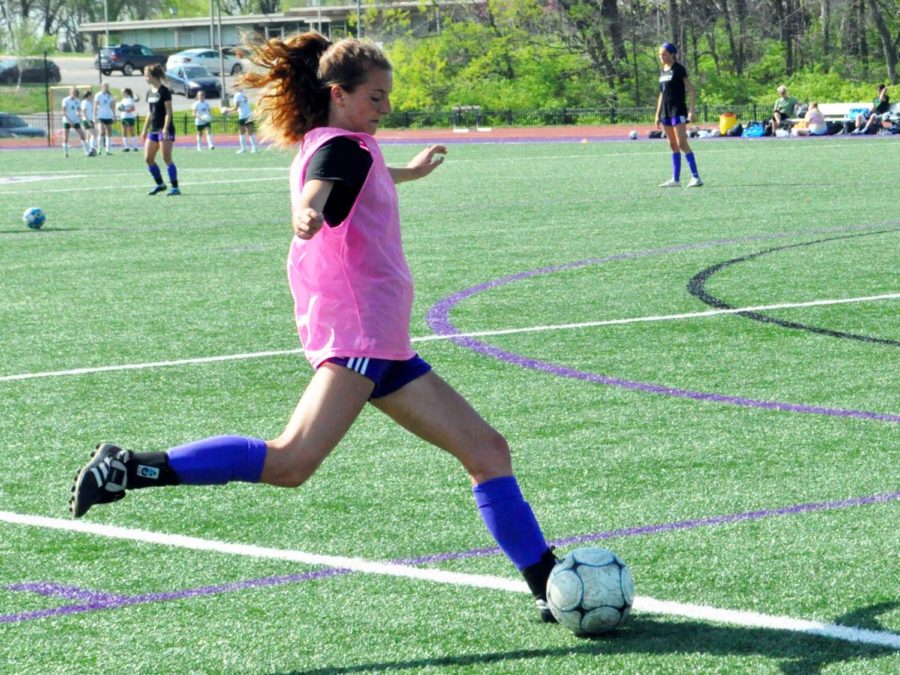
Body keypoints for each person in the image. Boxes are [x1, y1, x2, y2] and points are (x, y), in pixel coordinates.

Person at [69, 32, 560, 624]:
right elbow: (324, 185)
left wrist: (411, 171)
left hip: (382, 343)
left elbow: (360, 175)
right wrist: (306, 210)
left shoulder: (349, 144)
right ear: (339, 94)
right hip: (357, 337)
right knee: (291, 462)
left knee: (487, 450)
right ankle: (132, 467)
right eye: (375, 97)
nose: (385, 108)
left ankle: (549, 583)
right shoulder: (338, 150)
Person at [655, 43, 702, 188]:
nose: (661, 57)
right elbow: (662, 94)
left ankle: (696, 177)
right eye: (660, 54)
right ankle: (676, 179)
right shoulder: (663, 70)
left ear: (672, 54)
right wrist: (657, 114)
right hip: (666, 113)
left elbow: (692, 91)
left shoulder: (679, 69)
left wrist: (691, 110)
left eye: (664, 54)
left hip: (678, 110)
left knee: (682, 143)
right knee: (672, 144)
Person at [140, 64, 180, 196]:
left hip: (164, 130)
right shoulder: (149, 92)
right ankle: (160, 184)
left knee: (166, 158)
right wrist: (144, 129)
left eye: (147, 75)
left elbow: (169, 112)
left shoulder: (164, 91)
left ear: (154, 76)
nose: (145, 77)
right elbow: (150, 113)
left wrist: (166, 128)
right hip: (154, 130)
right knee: (148, 158)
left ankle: (175, 187)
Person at [223, 83, 258, 153]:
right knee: (250, 131)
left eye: (237, 86)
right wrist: (231, 112)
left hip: (243, 116)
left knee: (242, 132)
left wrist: (227, 109)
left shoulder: (237, 96)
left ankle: (244, 148)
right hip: (249, 114)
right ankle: (253, 148)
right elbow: (240, 107)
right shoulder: (243, 94)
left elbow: (236, 107)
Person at [60, 86, 90, 158]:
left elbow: (79, 110)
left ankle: (87, 152)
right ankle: (66, 153)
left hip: (75, 120)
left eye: (75, 92)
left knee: (82, 135)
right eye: (72, 92)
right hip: (67, 121)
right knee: (66, 137)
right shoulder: (65, 100)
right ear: (70, 92)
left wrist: (79, 114)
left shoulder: (77, 101)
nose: (73, 93)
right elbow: (63, 112)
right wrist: (70, 121)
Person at [94, 82, 117, 155]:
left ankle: (108, 150)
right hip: (101, 115)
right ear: (102, 87)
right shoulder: (98, 95)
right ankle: (99, 149)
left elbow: (112, 106)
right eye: (105, 86)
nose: (106, 87)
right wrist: (94, 115)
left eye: (107, 86)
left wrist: (114, 115)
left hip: (108, 115)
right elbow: (95, 105)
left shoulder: (110, 95)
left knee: (109, 132)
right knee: (101, 132)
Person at [118, 88, 139, 152]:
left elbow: (132, 109)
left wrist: (124, 110)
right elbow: (120, 107)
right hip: (123, 117)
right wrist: (120, 109)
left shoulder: (130, 99)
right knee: (124, 132)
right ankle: (126, 147)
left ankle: (135, 147)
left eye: (124, 92)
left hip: (129, 117)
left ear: (127, 92)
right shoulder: (123, 100)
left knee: (131, 132)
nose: (122, 93)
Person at [80, 89, 97, 157]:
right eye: (91, 95)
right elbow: (84, 112)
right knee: (93, 135)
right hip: (87, 120)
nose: (92, 97)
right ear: (88, 96)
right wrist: (88, 121)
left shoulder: (89, 102)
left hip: (90, 120)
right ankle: (91, 149)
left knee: (89, 136)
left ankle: (88, 150)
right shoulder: (84, 102)